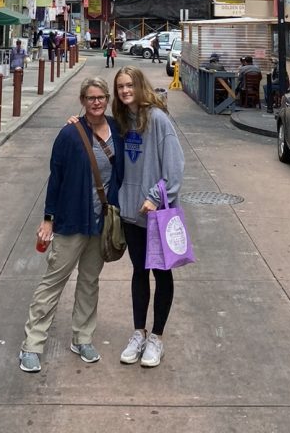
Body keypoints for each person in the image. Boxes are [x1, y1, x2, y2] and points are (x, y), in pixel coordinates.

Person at [19, 77, 124, 374]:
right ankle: (32, 344)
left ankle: (83, 337)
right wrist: (48, 218)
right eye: (91, 98)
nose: (96, 102)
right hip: (70, 220)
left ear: (107, 99)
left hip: (101, 222)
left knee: (90, 281)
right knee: (53, 281)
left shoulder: (118, 129)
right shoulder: (68, 134)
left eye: (101, 97)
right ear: (82, 100)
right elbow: (56, 178)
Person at [112, 66, 185, 369]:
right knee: (139, 272)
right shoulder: (120, 121)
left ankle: (157, 337)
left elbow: (175, 168)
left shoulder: (158, 120)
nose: (125, 91)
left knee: (161, 273)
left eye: (129, 85)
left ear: (140, 86)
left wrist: (154, 198)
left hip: (156, 214)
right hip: (130, 214)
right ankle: (138, 332)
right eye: (120, 87)